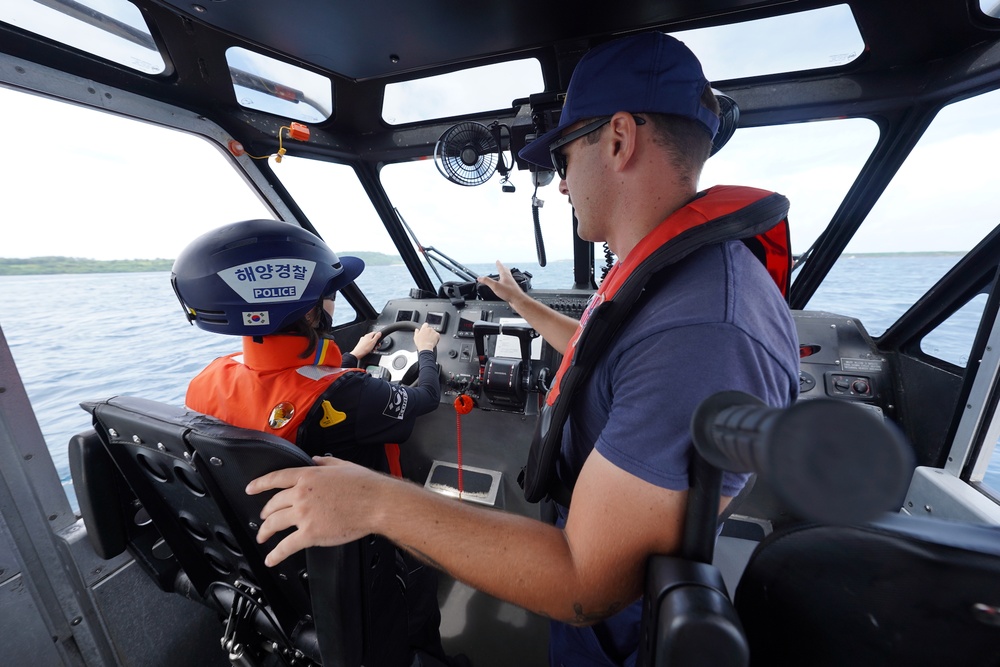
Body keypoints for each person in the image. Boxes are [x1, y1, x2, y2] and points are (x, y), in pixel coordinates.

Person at [246, 32, 800, 666]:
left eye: (564, 158)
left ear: (619, 140)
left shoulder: (702, 331)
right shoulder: (675, 283)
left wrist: (373, 502)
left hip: (627, 629)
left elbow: (586, 584)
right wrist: (521, 304)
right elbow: (601, 355)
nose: (561, 185)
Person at [170, 218, 451, 664]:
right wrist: (428, 349)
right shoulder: (348, 394)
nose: (332, 302)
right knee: (418, 597)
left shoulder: (207, 380)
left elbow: (283, 387)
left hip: (277, 567)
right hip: (366, 558)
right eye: (329, 295)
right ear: (307, 311)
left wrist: (353, 358)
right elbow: (425, 397)